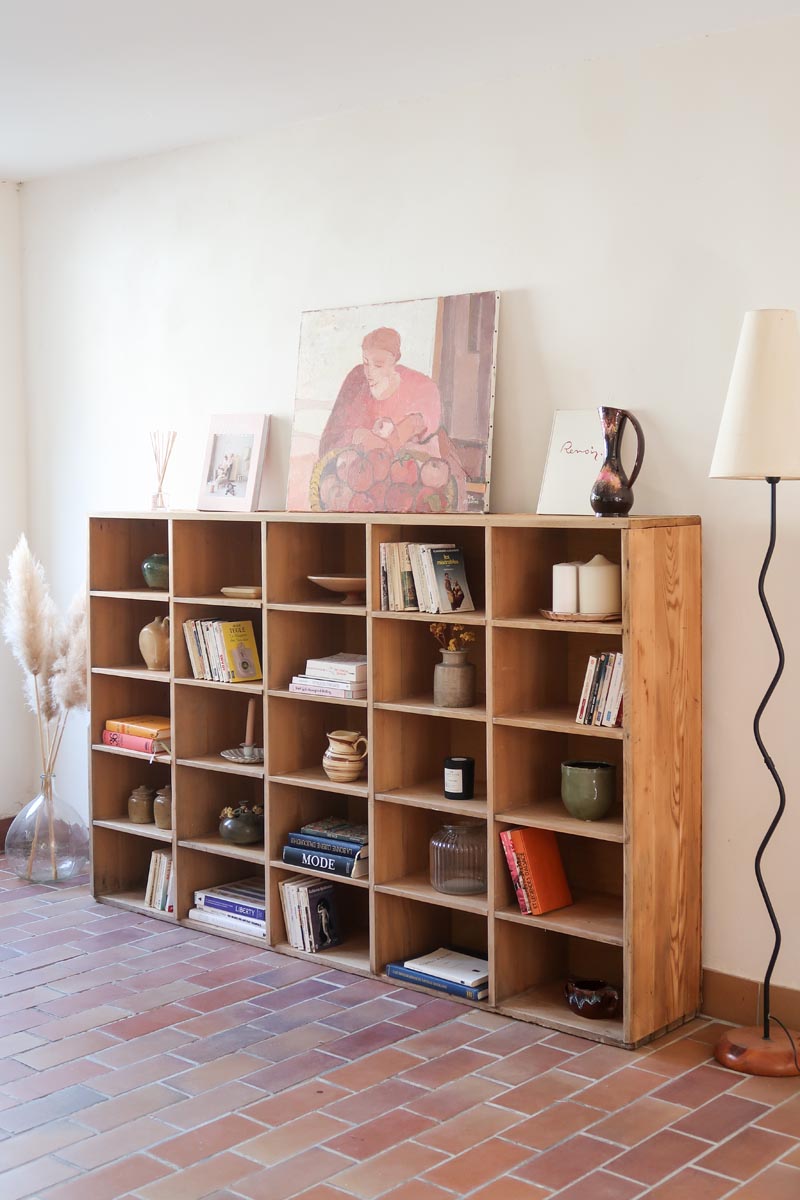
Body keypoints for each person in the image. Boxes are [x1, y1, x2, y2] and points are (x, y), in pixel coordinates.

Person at [319, 327, 442, 458]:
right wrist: (357, 435)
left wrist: (396, 436)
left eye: (378, 365)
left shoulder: (419, 385)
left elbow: (423, 420)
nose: (370, 373)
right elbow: (328, 442)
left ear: (395, 359)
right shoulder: (356, 380)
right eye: (366, 363)